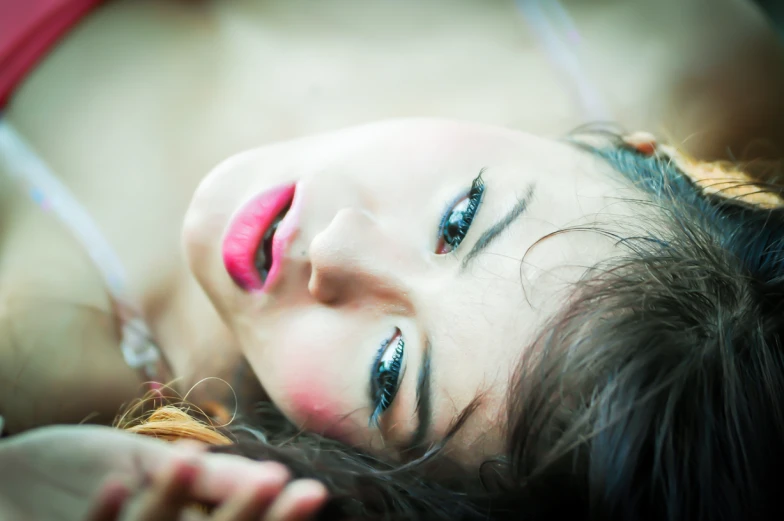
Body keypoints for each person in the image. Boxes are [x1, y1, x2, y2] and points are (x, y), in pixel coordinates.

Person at [3, 1, 784, 520]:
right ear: (637, 151)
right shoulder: (667, 47)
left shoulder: (51, 362)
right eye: (460, 218)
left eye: (388, 372)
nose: (339, 249)